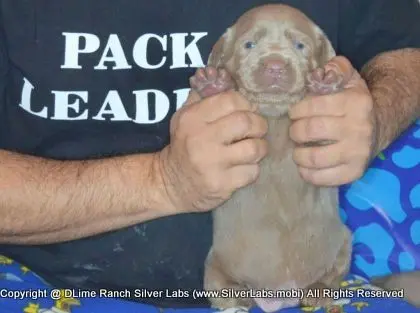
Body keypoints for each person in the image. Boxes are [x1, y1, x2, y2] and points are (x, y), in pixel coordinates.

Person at [0, 0, 419, 309]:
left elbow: (405, 45)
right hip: (51, 283)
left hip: (315, 275)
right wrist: (163, 182)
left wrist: (377, 116)